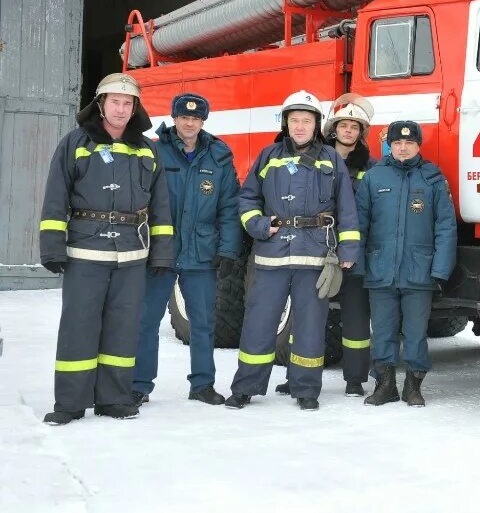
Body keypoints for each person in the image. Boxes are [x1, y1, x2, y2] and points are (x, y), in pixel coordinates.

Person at [37, 72, 174, 426]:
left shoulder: (148, 148)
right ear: (100, 104)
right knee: (78, 327)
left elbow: (161, 205)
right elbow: (56, 196)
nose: (121, 109)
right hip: (86, 252)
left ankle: (113, 398)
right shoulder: (75, 142)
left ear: (135, 109)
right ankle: (69, 403)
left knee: (124, 327)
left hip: (132, 255)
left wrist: (161, 252)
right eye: (115, 101)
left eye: (128, 103)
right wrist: (53, 246)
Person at [226, 90, 360, 411]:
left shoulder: (331, 159)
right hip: (271, 253)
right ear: (286, 123)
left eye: (307, 120)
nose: (300, 126)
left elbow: (347, 208)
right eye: (294, 120)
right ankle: (245, 387)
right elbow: (247, 200)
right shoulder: (268, 155)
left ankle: (306, 389)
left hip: (315, 254)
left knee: (311, 326)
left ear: (317, 125)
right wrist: (258, 225)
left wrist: (349, 249)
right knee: (259, 321)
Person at [132, 93, 242, 408]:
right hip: (162, 251)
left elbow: (229, 207)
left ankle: (202, 384)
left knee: (204, 322)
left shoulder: (219, 155)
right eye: (183, 117)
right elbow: (141, 198)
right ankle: (139, 385)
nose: (189, 122)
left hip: (202, 253)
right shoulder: (154, 150)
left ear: (203, 121)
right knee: (147, 320)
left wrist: (228, 250)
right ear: (175, 118)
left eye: (195, 118)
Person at [276, 93, 376, 398]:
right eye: (343, 126)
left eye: (354, 127)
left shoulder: (372, 167)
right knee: (307, 316)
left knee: (356, 319)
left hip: (353, 250)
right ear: (333, 129)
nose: (348, 131)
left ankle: (355, 379)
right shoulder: (316, 157)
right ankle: (297, 376)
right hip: (317, 248)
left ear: (361, 133)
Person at [357, 120, 457, 407]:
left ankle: (413, 387)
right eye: (397, 143)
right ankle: (385, 385)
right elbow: (360, 224)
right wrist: (359, 263)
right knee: (384, 331)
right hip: (381, 269)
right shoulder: (374, 178)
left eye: (409, 143)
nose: (402, 148)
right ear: (389, 144)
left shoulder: (433, 179)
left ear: (418, 146)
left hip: (419, 272)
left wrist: (440, 269)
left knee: (416, 333)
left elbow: (446, 226)